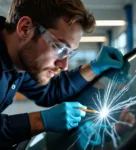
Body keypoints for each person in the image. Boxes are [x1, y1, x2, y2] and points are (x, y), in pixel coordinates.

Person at [0, 0, 129, 149]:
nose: (64, 65)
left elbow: (48, 92)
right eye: (60, 48)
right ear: (25, 28)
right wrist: (40, 121)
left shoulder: (19, 63)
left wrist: (94, 67)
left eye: (70, 53)